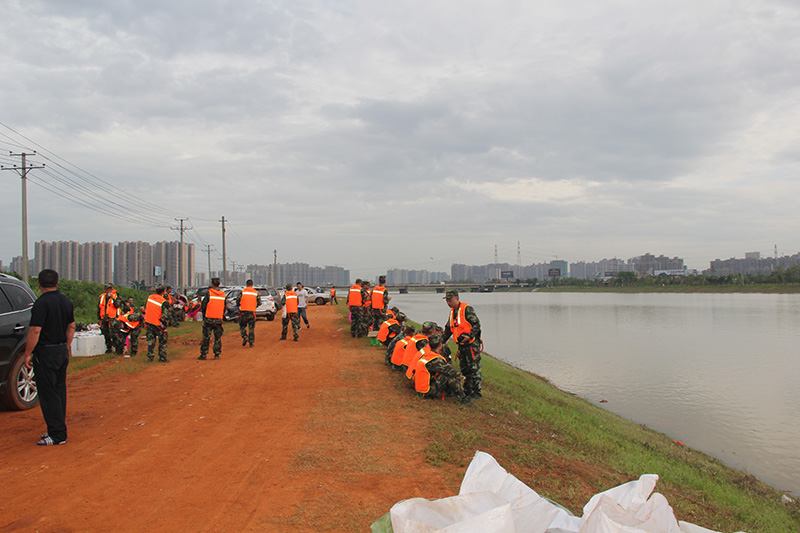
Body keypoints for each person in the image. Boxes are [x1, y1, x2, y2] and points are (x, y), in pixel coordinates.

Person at [23, 269, 75, 446]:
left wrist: (28, 353)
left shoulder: (40, 304)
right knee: (59, 391)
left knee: (48, 393)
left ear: (38, 284)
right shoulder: (66, 301)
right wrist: (66, 346)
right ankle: (56, 430)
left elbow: (35, 330)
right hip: (61, 350)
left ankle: (58, 435)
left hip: (46, 353)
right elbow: (71, 327)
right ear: (57, 283)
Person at [442, 289, 483, 400]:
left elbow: (476, 324)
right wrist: (441, 342)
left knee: (474, 368)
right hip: (462, 346)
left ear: (457, 298)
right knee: (464, 368)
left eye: (450, 300)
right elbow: (448, 329)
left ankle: (477, 392)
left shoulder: (466, 309)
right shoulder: (452, 312)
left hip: (471, 345)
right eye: (447, 300)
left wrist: (469, 336)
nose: (448, 303)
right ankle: (467, 390)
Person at [413, 334, 471, 404]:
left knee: (444, 373)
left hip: (419, 388)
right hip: (426, 392)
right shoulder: (436, 360)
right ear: (440, 345)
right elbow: (454, 372)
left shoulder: (427, 354)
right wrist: (460, 377)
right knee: (448, 375)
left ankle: (452, 393)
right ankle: (462, 399)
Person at [199, 278, 225, 360]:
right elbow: (224, 306)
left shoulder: (209, 293)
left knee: (206, 337)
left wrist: (204, 313)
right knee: (218, 337)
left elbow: (204, 305)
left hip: (209, 318)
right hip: (218, 318)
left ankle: (204, 354)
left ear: (212, 284)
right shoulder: (223, 294)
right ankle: (217, 354)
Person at [144, 285, 171, 362]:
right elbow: (165, 315)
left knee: (151, 341)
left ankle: (150, 357)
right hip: (158, 323)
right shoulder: (164, 301)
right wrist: (164, 325)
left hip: (149, 322)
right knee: (163, 340)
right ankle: (162, 357)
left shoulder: (150, 297)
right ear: (164, 291)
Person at [98, 283, 120, 354]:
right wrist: (99, 318)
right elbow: (99, 308)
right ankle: (109, 348)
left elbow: (118, 305)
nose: (109, 290)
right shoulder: (102, 297)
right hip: (104, 318)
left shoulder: (116, 296)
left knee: (113, 333)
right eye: (107, 289)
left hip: (112, 318)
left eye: (110, 289)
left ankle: (117, 348)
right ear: (105, 290)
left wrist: (113, 298)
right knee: (105, 333)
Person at [237, 280, 261, 347]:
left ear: (246, 284)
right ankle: (251, 343)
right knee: (251, 328)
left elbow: (237, 301)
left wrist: (242, 304)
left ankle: (244, 336)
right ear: (252, 284)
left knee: (242, 326)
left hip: (244, 312)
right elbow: (259, 302)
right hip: (252, 312)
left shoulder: (243, 292)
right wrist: (254, 306)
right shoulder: (255, 292)